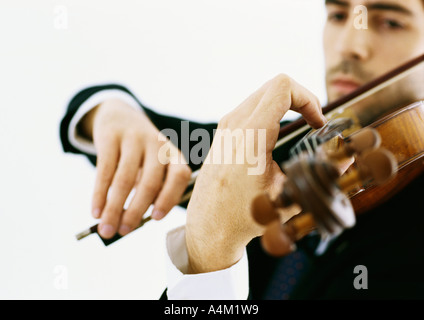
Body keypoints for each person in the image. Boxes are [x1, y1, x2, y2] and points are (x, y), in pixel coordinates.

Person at [60, 0, 424, 299]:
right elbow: (153, 135)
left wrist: (209, 258)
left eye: (390, 22)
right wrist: (111, 111)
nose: (349, 46)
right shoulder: (281, 150)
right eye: (339, 15)